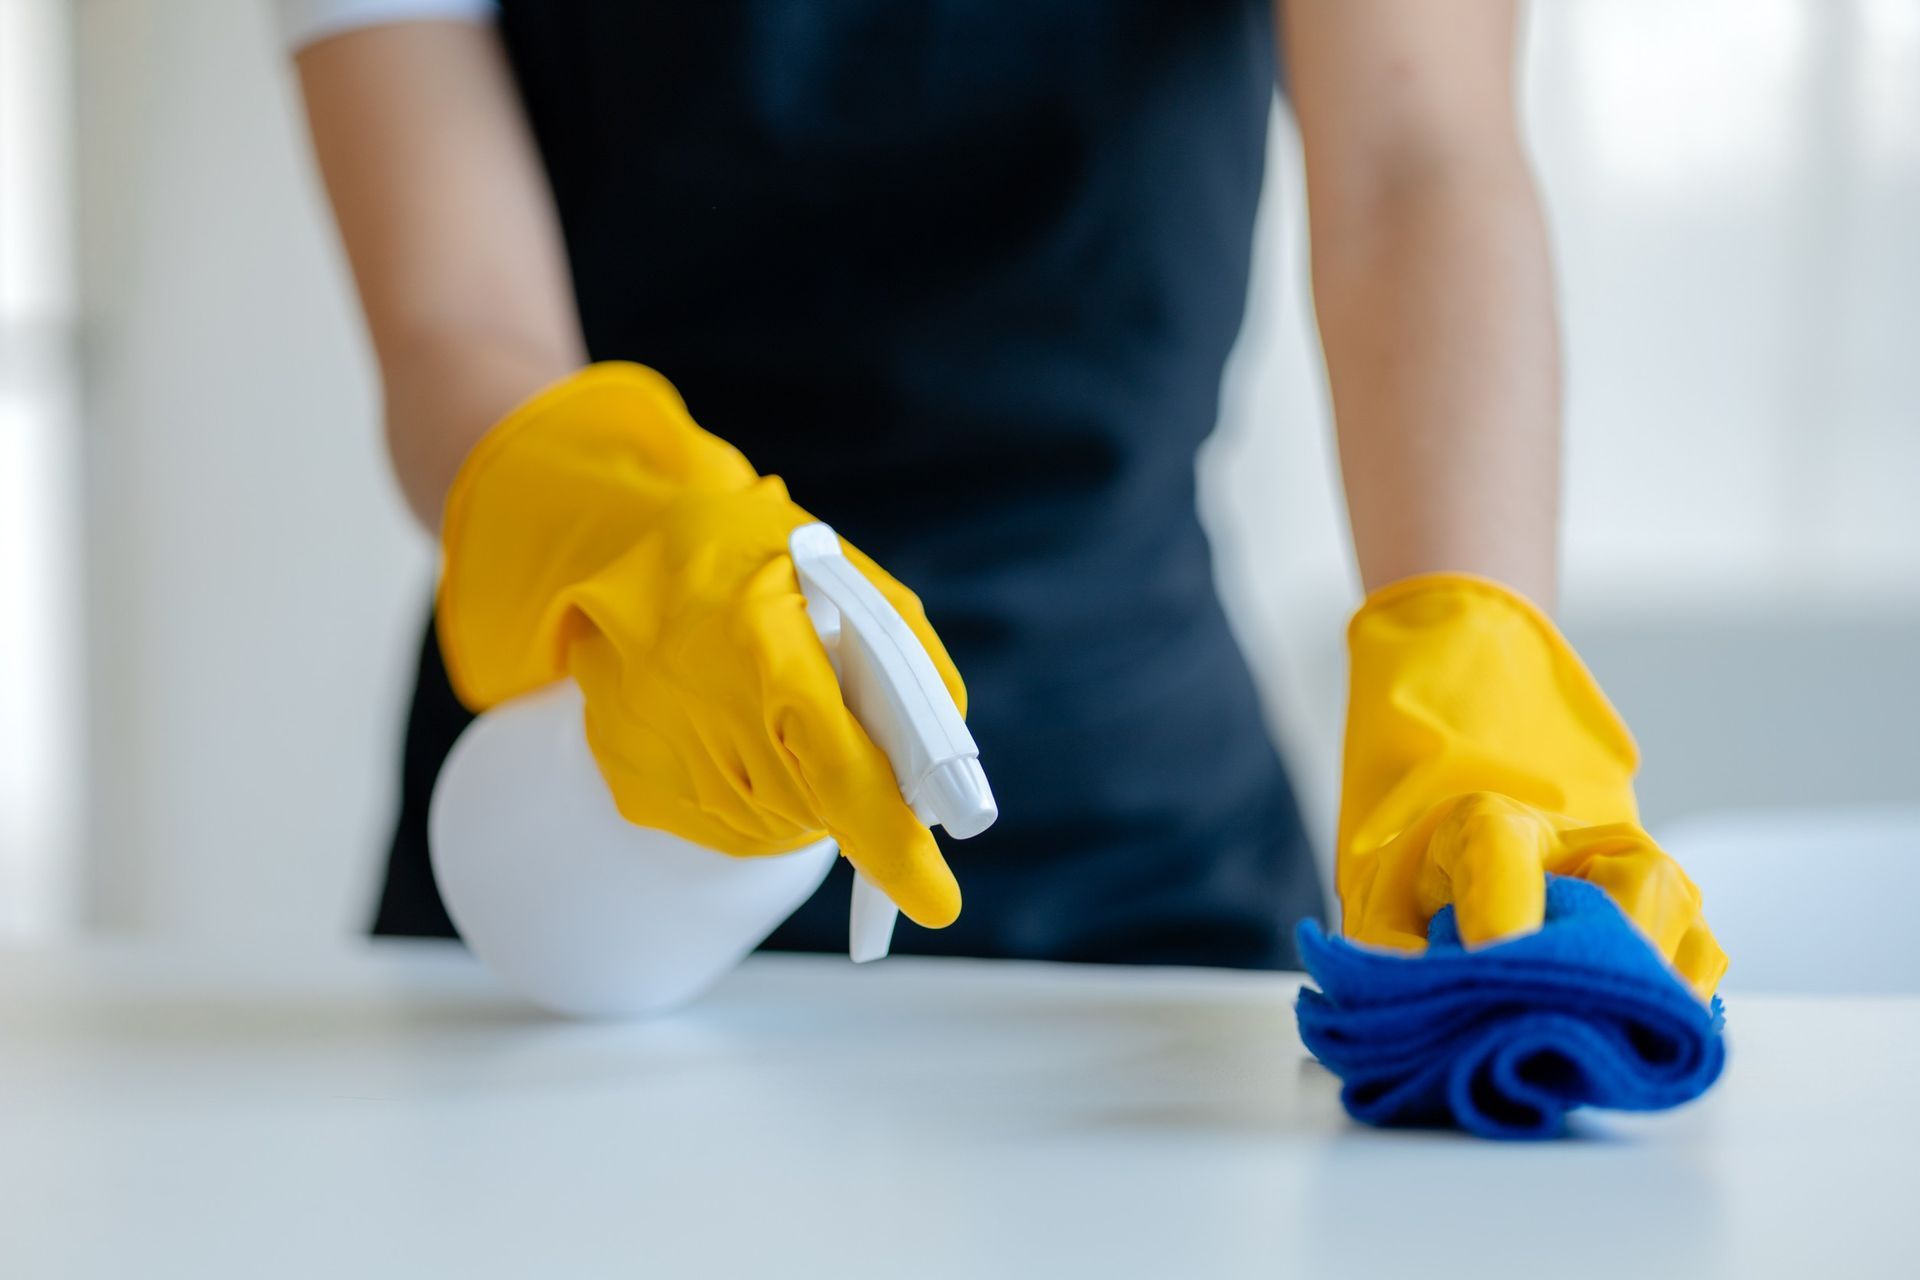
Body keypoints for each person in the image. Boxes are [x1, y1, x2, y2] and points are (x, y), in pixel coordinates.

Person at [287, 0, 1725, 993]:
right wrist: (632, 538)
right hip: (600, 803)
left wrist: (1476, 657)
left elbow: (1414, 161)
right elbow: (456, 326)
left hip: (1140, 831)